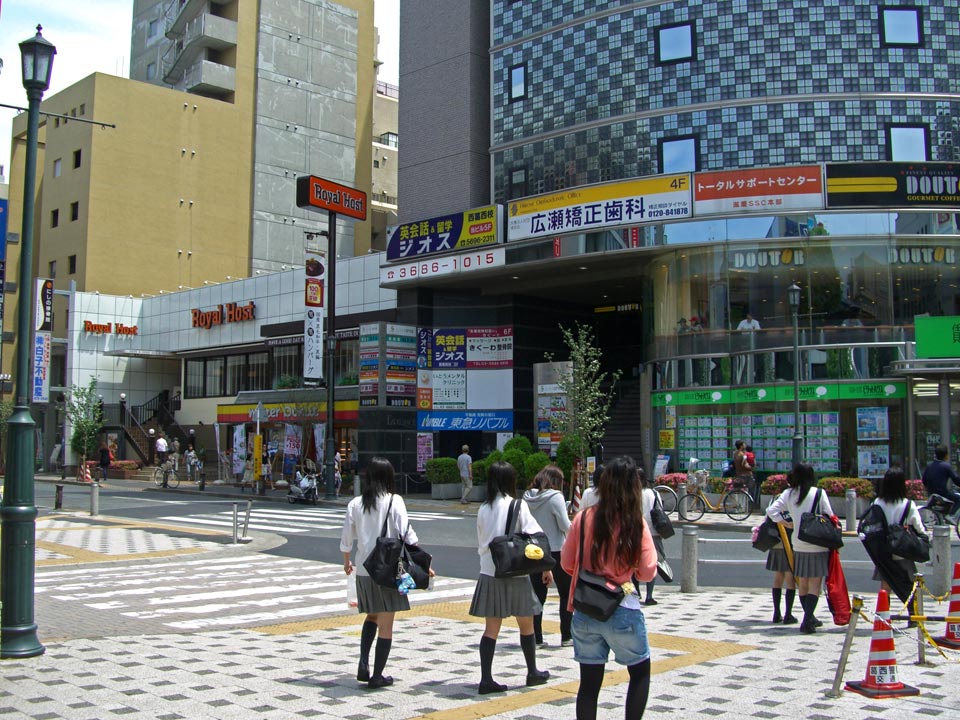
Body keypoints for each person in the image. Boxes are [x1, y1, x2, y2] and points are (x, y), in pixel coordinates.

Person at [560, 455, 657, 720]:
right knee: (639, 672)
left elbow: (568, 563)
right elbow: (648, 573)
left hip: (585, 608)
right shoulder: (634, 522)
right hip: (622, 607)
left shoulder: (583, 518)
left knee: (589, 684)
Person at [340, 457, 429, 689]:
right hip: (389, 570)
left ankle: (363, 664)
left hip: (364, 570)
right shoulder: (394, 501)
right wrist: (423, 562)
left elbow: (346, 540)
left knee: (371, 616)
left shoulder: (355, 504)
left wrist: (347, 563)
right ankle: (377, 675)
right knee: (386, 625)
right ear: (388, 477)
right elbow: (407, 535)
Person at [470, 461, 551, 694]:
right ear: (510, 480)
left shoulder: (483, 508)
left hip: (489, 570)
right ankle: (532, 672)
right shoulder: (518, 505)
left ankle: (486, 678)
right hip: (516, 571)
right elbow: (535, 534)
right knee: (526, 624)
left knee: (491, 628)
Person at [765, 463, 833, 634]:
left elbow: (771, 510)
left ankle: (808, 617)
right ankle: (808, 620)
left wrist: (784, 522)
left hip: (798, 541)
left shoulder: (789, 493)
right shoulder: (818, 493)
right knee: (815, 583)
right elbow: (830, 515)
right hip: (817, 542)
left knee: (802, 582)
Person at [523, 464, 573, 647]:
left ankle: (536, 637)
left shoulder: (527, 497)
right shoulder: (555, 497)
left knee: (537, 595)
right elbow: (564, 525)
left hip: (534, 550)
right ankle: (566, 635)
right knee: (566, 593)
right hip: (556, 550)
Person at [870, 467, 928, 620]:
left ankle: (884, 616)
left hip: (883, 552)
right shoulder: (907, 504)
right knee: (909, 585)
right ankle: (913, 616)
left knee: (885, 585)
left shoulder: (877, 503)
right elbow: (919, 528)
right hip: (902, 551)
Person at [639, 468, 663, 606]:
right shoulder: (654, 493)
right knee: (652, 563)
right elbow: (660, 510)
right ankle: (649, 595)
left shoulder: (632, 493)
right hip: (653, 532)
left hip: (636, 532)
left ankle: (635, 592)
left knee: (633, 562)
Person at [921, 444, 960, 521]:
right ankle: (951, 515)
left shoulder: (929, 466)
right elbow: (956, 480)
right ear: (946, 455)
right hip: (943, 495)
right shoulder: (946, 466)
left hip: (932, 494)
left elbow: (924, 480)